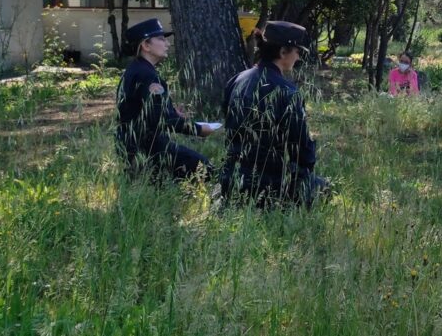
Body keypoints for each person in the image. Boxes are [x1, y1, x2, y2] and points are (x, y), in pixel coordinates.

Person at [221, 21, 329, 207]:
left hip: (230, 179)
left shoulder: (237, 80)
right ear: (283, 52)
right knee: (324, 188)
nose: (298, 56)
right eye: (297, 51)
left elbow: (226, 118)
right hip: (267, 185)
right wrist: (304, 173)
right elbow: (301, 148)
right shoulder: (287, 92)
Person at [115, 18, 215, 181]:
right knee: (206, 170)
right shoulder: (147, 75)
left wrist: (172, 111)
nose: (167, 44)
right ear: (146, 45)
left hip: (132, 145)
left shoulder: (136, 69)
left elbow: (144, 111)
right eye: (161, 39)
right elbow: (162, 119)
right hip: (147, 148)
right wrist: (199, 130)